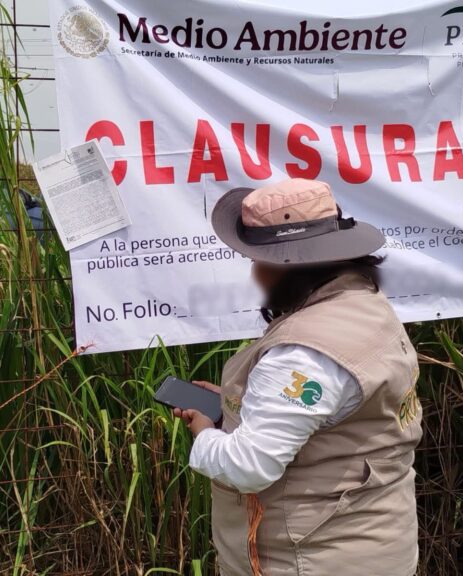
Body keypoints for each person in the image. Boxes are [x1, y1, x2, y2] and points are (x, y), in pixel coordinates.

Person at [173, 178, 423, 576]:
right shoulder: (364, 305)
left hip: (311, 558)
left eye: (259, 261)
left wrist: (205, 432)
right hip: (377, 542)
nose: (255, 274)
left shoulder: (303, 352)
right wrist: (240, 405)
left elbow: (248, 466)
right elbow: (330, 406)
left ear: (288, 264)